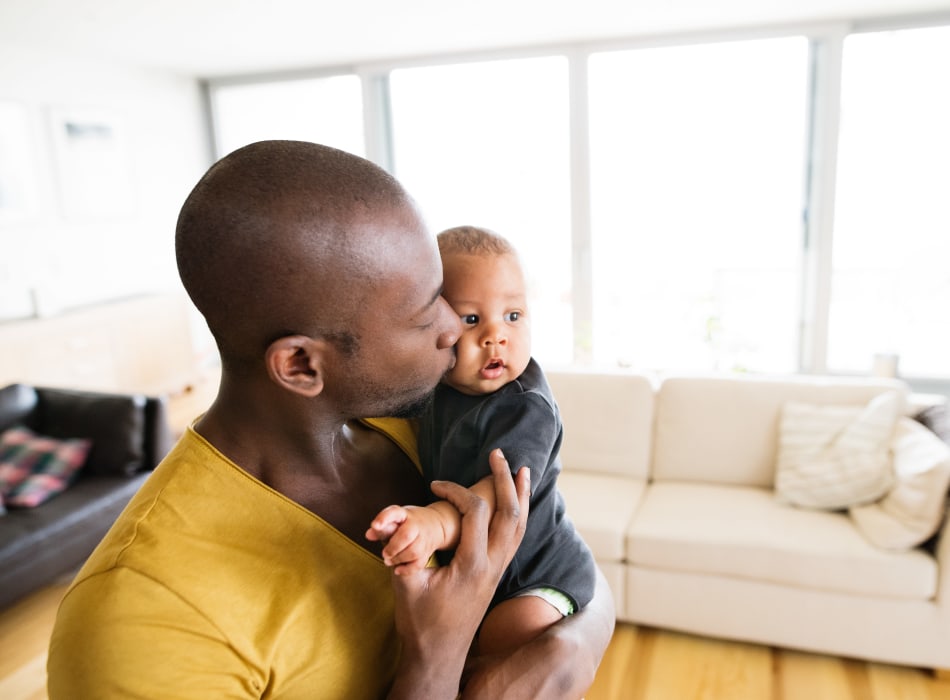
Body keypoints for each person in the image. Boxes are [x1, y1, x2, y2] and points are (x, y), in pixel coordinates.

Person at [46, 140, 614, 699]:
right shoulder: (140, 626)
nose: (454, 330)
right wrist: (434, 661)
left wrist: (572, 648)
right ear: (300, 364)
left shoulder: (412, 418)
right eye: (425, 314)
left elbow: (560, 550)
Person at [367, 226, 596, 658]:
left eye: (513, 316)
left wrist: (435, 523)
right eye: (471, 320)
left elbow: (501, 495)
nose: (496, 336)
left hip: (537, 572)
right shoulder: (440, 385)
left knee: (510, 633)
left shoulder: (523, 407)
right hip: (478, 569)